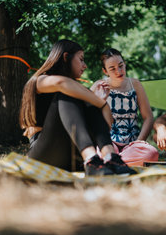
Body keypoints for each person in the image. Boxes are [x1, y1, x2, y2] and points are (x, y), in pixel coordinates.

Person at [19, 40, 136, 176]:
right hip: (44, 155)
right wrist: (99, 102)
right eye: (81, 59)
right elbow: (61, 83)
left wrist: (98, 103)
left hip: (72, 156)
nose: (85, 66)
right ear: (65, 57)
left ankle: (112, 158)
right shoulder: (40, 80)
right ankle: (91, 160)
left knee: (85, 98)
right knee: (70, 94)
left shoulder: (76, 89)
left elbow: (105, 127)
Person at [90, 48, 158, 166]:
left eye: (121, 66)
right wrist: (101, 100)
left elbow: (148, 117)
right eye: (112, 69)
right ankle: (114, 159)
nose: (119, 71)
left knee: (152, 153)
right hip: (109, 141)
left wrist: (139, 142)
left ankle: (112, 162)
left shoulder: (135, 84)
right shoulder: (98, 86)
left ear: (124, 64)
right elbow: (88, 117)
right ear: (105, 71)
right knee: (99, 152)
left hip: (133, 143)